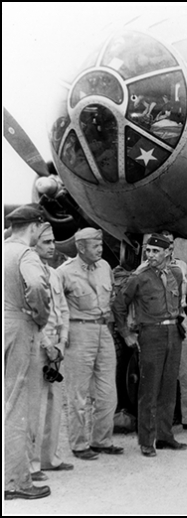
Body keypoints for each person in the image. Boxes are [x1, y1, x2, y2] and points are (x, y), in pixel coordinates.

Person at [114, 233, 187, 457]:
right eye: (149, 251)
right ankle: (147, 440)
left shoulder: (176, 273)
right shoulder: (139, 276)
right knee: (149, 389)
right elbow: (119, 304)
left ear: (168, 252)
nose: (151, 255)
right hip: (150, 334)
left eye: (156, 251)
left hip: (173, 332)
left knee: (168, 387)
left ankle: (165, 436)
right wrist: (126, 334)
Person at [58, 228, 122, 459]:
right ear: (80, 247)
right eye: (95, 246)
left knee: (107, 391)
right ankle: (78, 444)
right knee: (78, 393)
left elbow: (111, 298)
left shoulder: (105, 267)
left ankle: (101, 440)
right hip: (78, 331)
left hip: (102, 330)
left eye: (101, 245)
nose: (100, 250)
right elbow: (55, 308)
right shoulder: (63, 273)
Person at [4, 204, 52, 500]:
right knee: (16, 406)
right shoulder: (25, 254)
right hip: (19, 325)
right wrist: (40, 316)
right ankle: (15, 481)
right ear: (34, 227)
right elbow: (36, 284)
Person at [28, 223, 73, 483]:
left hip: (57, 345)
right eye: (46, 242)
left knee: (55, 403)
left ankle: (50, 458)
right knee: (35, 405)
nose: (52, 246)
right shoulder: (30, 273)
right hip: (40, 345)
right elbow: (36, 314)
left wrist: (63, 341)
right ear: (34, 244)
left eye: (53, 241)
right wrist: (48, 345)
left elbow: (63, 310)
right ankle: (32, 464)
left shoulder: (55, 274)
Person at [161, 230, 187, 430]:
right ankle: (164, 421)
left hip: (180, 319)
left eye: (172, 243)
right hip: (160, 321)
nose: (170, 246)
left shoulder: (182, 265)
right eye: (166, 243)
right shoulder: (147, 268)